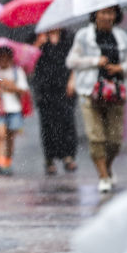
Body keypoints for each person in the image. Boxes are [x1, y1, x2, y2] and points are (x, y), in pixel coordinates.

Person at [66, 6, 127, 193]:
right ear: (95, 14)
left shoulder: (121, 36)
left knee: (114, 140)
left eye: (110, 13)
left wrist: (119, 67)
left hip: (115, 93)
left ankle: (107, 167)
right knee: (96, 137)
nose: (107, 16)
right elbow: (71, 61)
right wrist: (94, 61)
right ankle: (103, 176)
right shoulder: (83, 35)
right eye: (103, 12)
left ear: (116, 15)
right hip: (90, 91)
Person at [32, 29, 78, 175]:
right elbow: (28, 61)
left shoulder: (68, 37)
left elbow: (75, 61)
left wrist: (72, 80)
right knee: (48, 124)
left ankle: (68, 156)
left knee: (67, 121)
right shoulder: (37, 36)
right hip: (44, 89)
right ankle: (49, 159)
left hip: (65, 86)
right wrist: (38, 44)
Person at [0, 46, 30, 175]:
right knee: (0, 135)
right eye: (1, 57)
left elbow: (23, 91)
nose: (3, 60)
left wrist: (11, 86)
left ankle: (7, 161)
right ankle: (0, 162)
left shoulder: (17, 72)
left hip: (14, 109)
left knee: (10, 137)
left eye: (6, 57)